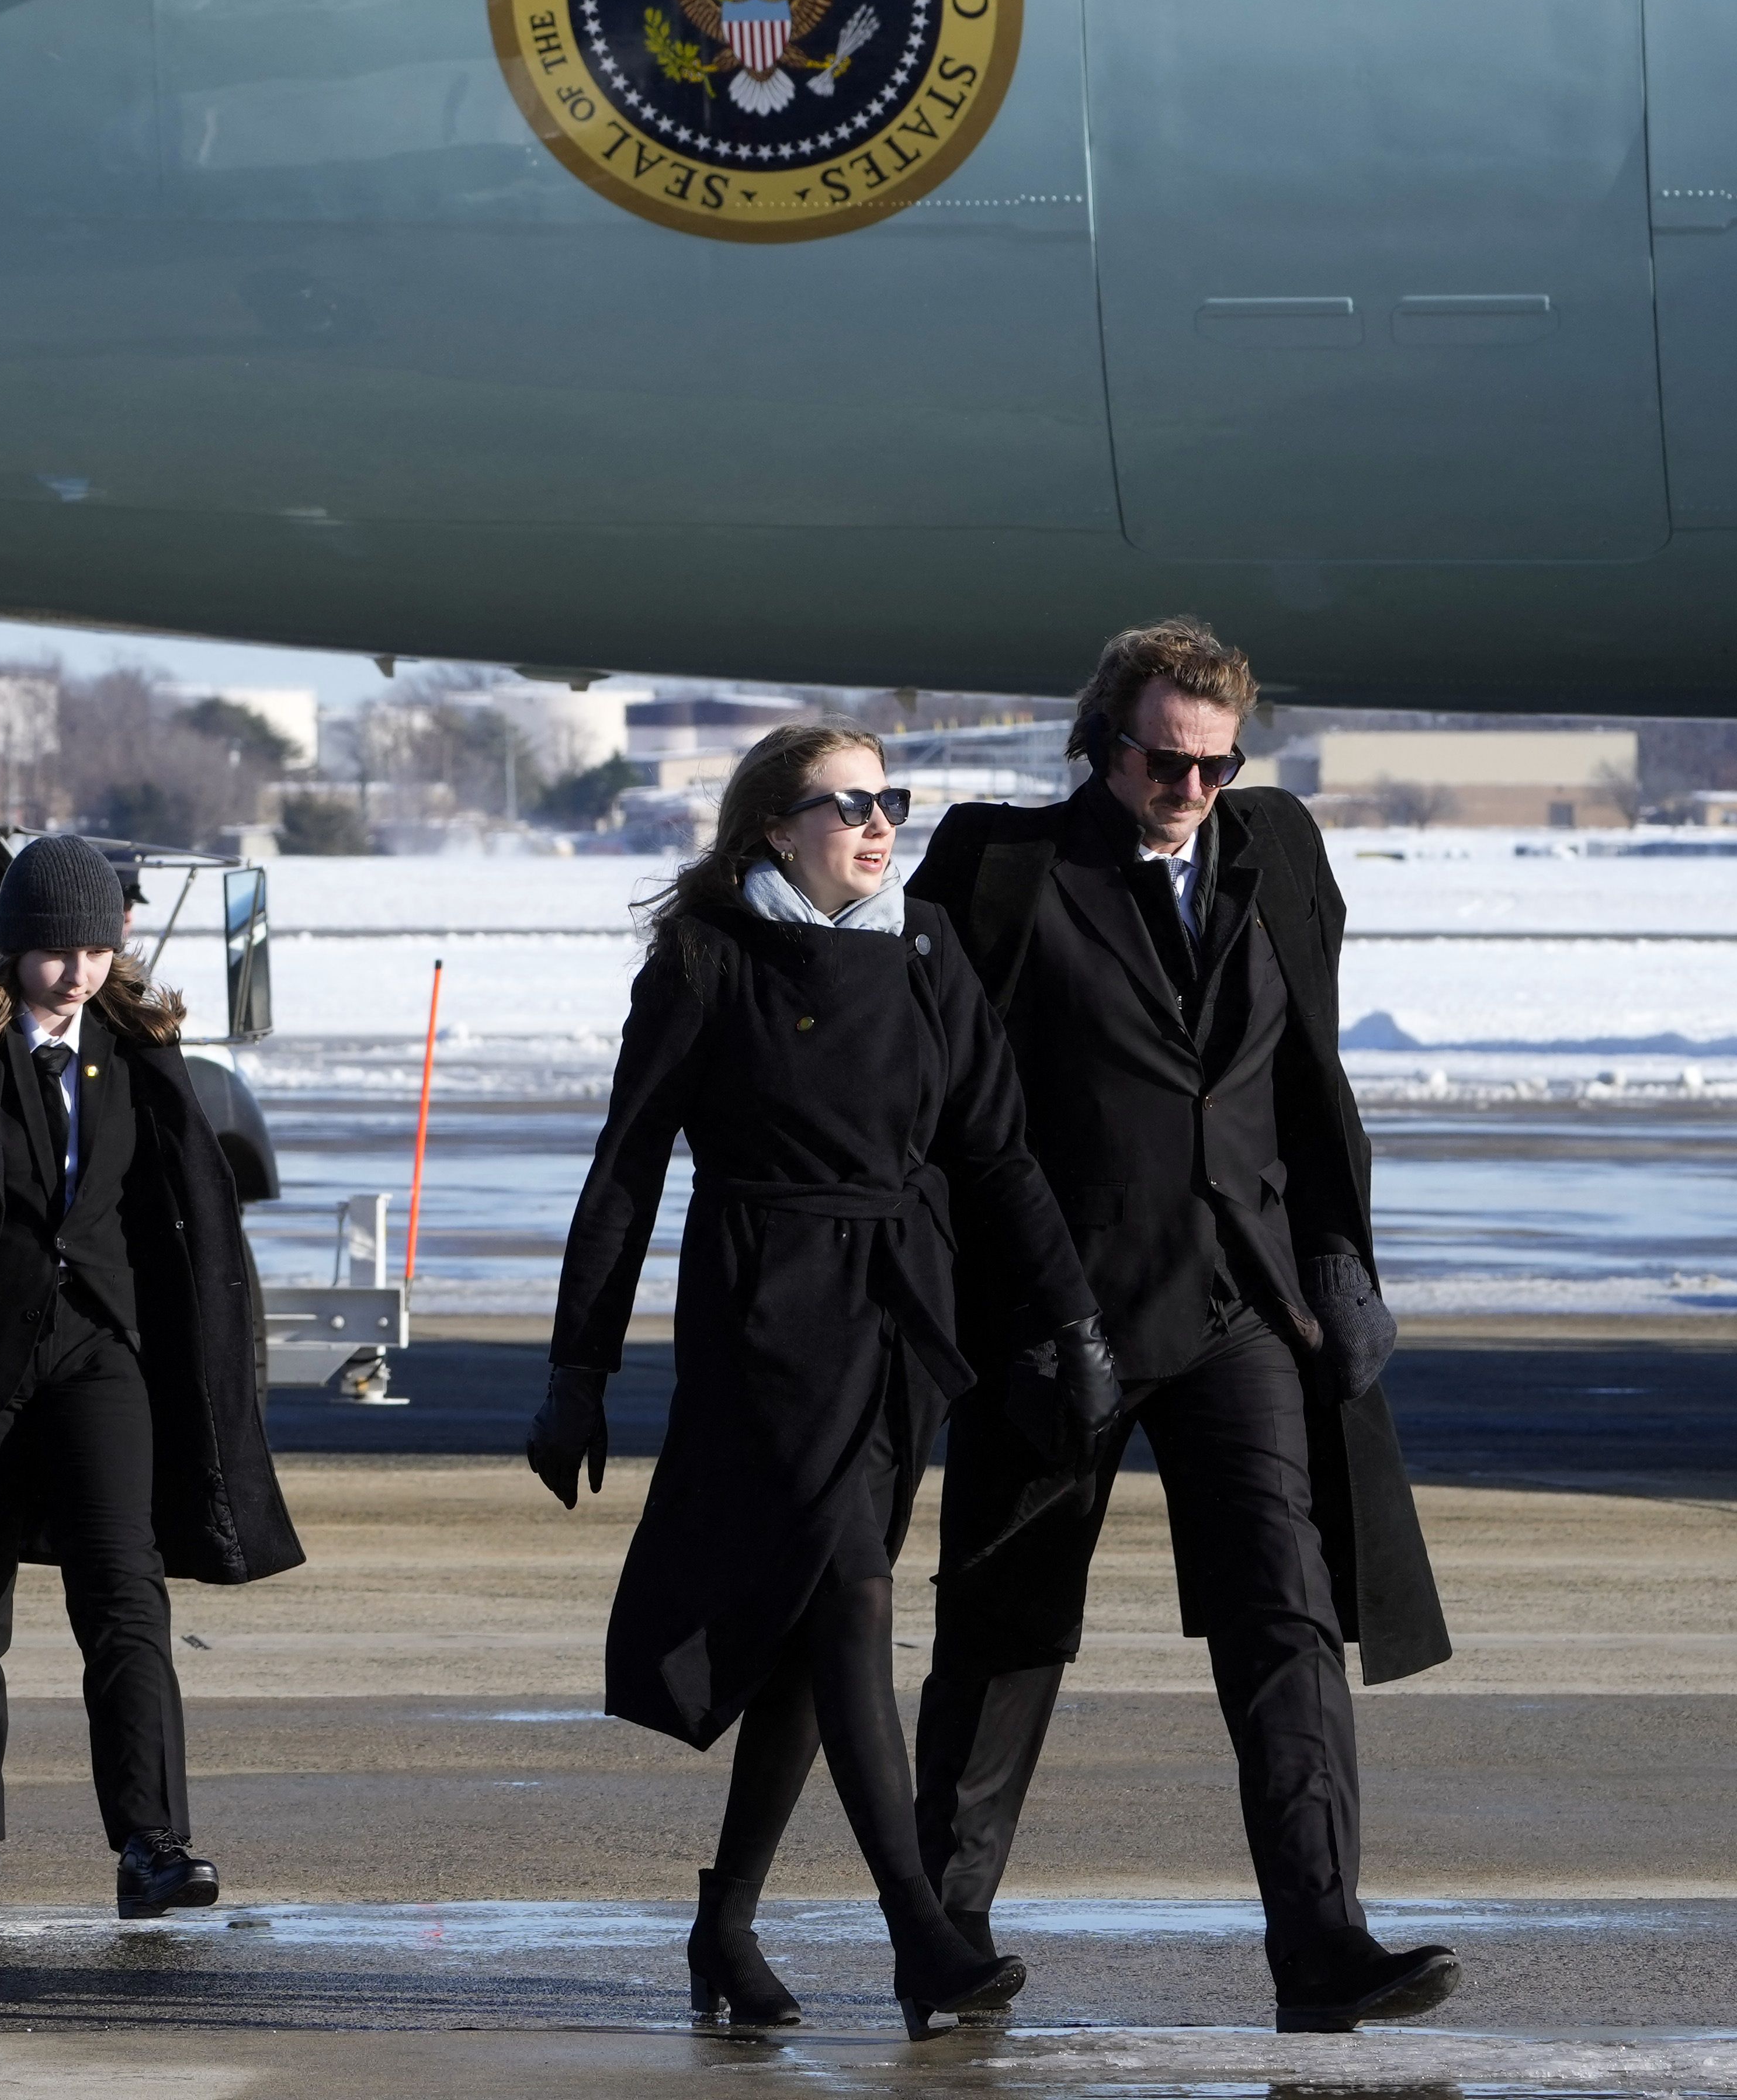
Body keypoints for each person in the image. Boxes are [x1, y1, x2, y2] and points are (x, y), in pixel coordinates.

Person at [902, 619, 1462, 2036]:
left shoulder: (1275, 855)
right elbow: (945, 1104)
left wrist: (1335, 1254)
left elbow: (1304, 1074)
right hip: (1059, 1307)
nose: (1195, 787)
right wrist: (991, 1307)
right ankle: (944, 1935)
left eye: (1219, 763)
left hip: (1239, 1301)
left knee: (1285, 1609)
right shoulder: (1009, 869)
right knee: (1007, 1619)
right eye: (1168, 759)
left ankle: (1320, 1935)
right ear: (1103, 742)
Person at [528, 727, 1107, 2035]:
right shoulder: (709, 960)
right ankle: (921, 1931)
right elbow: (626, 1168)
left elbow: (1000, 1154)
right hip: (766, 1316)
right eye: (847, 802)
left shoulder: (923, 951)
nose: (879, 821)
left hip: (902, 1314)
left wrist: (1075, 1321)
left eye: (889, 799)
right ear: (772, 828)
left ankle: (724, 1927)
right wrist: (580, 1364)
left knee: (812, 1621)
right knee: (849, 1591)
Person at [0, 835, 301, 1927]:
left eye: (93, 949)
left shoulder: (134, 1047)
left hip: (100, 1352)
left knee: (125, 1597)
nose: (74, 973)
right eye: (52, 953)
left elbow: (177, 1206)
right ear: (13, 947)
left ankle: (151, 1843)